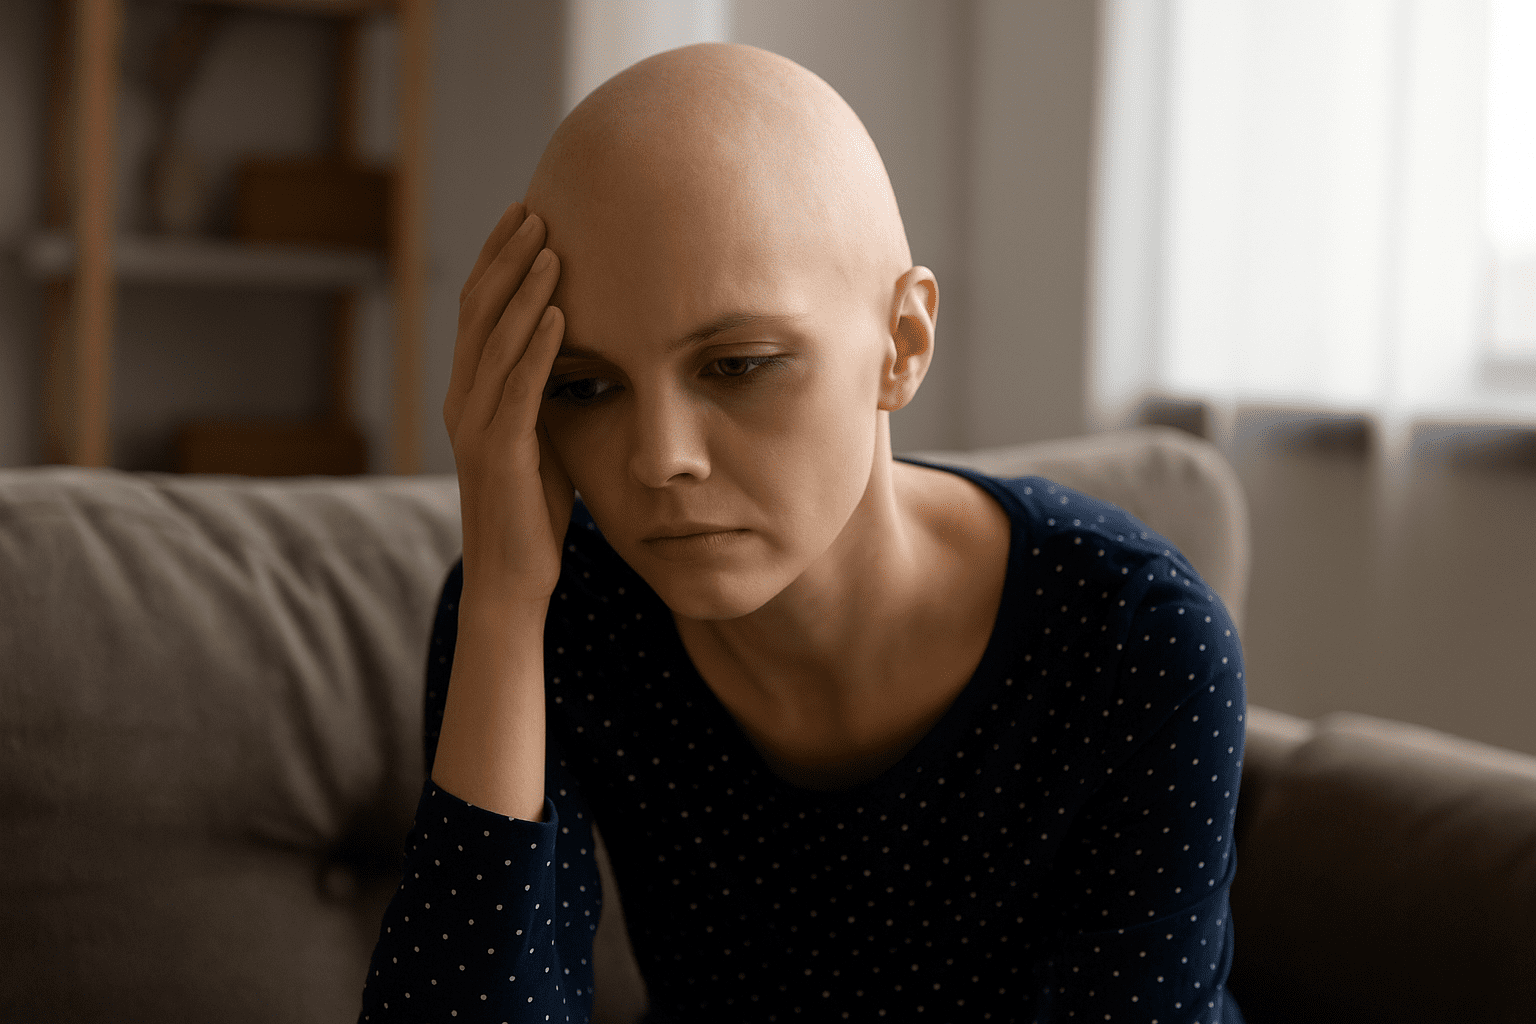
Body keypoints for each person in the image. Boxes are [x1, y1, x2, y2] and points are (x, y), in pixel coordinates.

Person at [358, 41, 1248, 1024]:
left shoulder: (1131, 639)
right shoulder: (556, 617)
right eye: (587, 386)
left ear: (901, 343)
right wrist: (502, 603)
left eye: (736, 364)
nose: (659, 457)